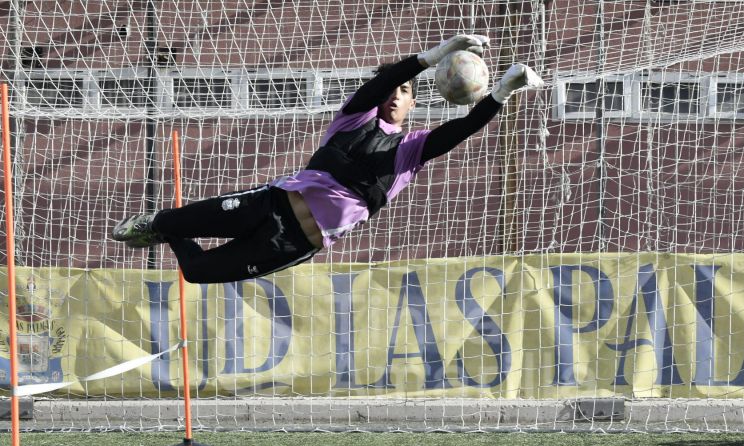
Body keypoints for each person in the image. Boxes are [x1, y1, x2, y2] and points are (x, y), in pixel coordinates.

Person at [112, 34, 544, 283]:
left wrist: (502, 90)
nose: (396, 95)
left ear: (415, 103)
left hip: (293, 243)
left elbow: (460, 130)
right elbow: (383, 83)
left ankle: (164, 233)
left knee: (199, 273)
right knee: (172, 220)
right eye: (393, 89)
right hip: (271, 204)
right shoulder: (352, 120)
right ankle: (159, 227)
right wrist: (435, 54)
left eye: (406, 92)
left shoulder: (410, 151)